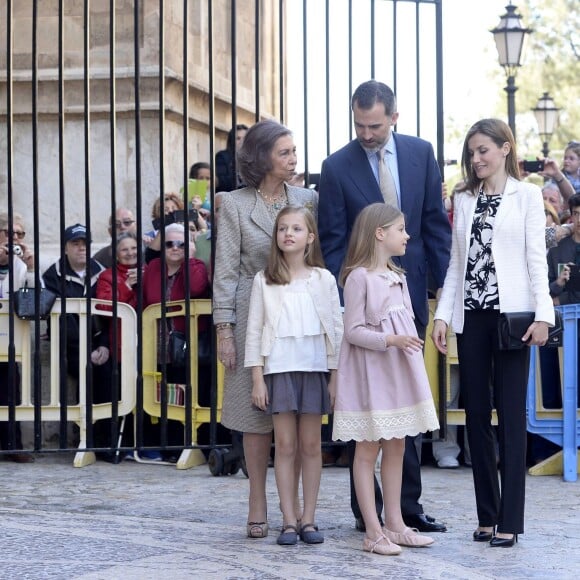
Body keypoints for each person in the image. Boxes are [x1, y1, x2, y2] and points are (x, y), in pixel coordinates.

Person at [318, 80, 450, 534]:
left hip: (410, 300)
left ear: (394, 117)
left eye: (374, 125)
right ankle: (367, 515)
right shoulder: (336, 167)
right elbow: (333, 244)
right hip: (365, 305)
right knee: (370, 411)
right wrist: (353, 300)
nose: (366, 133)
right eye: (358, 124)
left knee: (405, 404)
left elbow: (434, 226)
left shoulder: (421, 153)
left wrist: (443, 294)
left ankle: (405, 510)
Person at [431, 118, 553, 548]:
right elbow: (454, 262)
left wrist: (544, 314)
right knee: (477, 416)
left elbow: (536, 260)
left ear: (505, 149)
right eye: (472, 152)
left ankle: (510, 521)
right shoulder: (464, 198)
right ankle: (487, 515)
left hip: (513, 319)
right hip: (472, 317)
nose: (476, 158)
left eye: (483, 150)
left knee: (511, 416)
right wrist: (442, 316)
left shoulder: (528, 196)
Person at [213, 119, 318, 539]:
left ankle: (294, 511)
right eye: (285, 153)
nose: (294, 160)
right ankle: (257, 498)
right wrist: (225, 330)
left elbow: (317, 261)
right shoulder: (235, 204)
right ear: (261, 158)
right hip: (250, 317)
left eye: (294, 151)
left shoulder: (308, 198)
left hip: (297, 319)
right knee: (255, 416)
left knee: (293, 416)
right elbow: (226, 271)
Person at [333, 203, 439, 555]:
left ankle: (396, 524)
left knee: (397, 445)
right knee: (367, 450)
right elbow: (353, 331)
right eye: (400, 229)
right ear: (380, 233)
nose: (407, 235)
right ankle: (372, 530)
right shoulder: (359, 277)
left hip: (397, 375)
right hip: (371, 377)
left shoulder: (398, 276)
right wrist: (390, 340)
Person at [245, 206, 343, 546]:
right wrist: (257, 377)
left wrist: (335, 375)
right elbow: (255, 330)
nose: (288, 234)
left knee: (312, 445)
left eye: (297, 229)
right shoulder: (264, 280)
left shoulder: (323, 279)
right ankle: (288, 520)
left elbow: (336, 329)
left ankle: (309, 519)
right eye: (283, 228)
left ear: (310, 237)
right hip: (278, 370)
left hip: (314, 369)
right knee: (284, 446)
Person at [142, 223, 210, 461]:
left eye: (181, 243)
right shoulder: (152, 268)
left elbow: (196, 288)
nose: (175, 248)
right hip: (158, 343)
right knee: (163, 395)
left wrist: (189, 258)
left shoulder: (197, 267)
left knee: (188, 392)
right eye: (169, 243)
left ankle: (189, 445)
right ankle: (168, 447)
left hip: (187, 344)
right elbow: (145, 300)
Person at [42, 224, 110, 397]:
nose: (82, 248)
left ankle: (95, 424)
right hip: (68, 347)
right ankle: (83, 423)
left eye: (86, 243)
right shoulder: (52, 275)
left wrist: (103, 344)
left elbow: (108, 314)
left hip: (98, 342)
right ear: (65, 248)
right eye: (75, 243)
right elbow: (61, 319)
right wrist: (88, 352)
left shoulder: (102, 273)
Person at [0, 213, 35, 462]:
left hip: (10, 337)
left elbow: (33, 300)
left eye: (20, 234)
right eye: (8, 233)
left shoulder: (23, 265)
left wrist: (31, 268)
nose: (15, 238)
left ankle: (13, 445)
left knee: (10, 389)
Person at [215, 123, 248, 192]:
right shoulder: (222, 156)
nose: (242, 141)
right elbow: (221, 181)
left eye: (245, 138)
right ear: (231, 141)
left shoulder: (255, 159)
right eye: (238, 138)